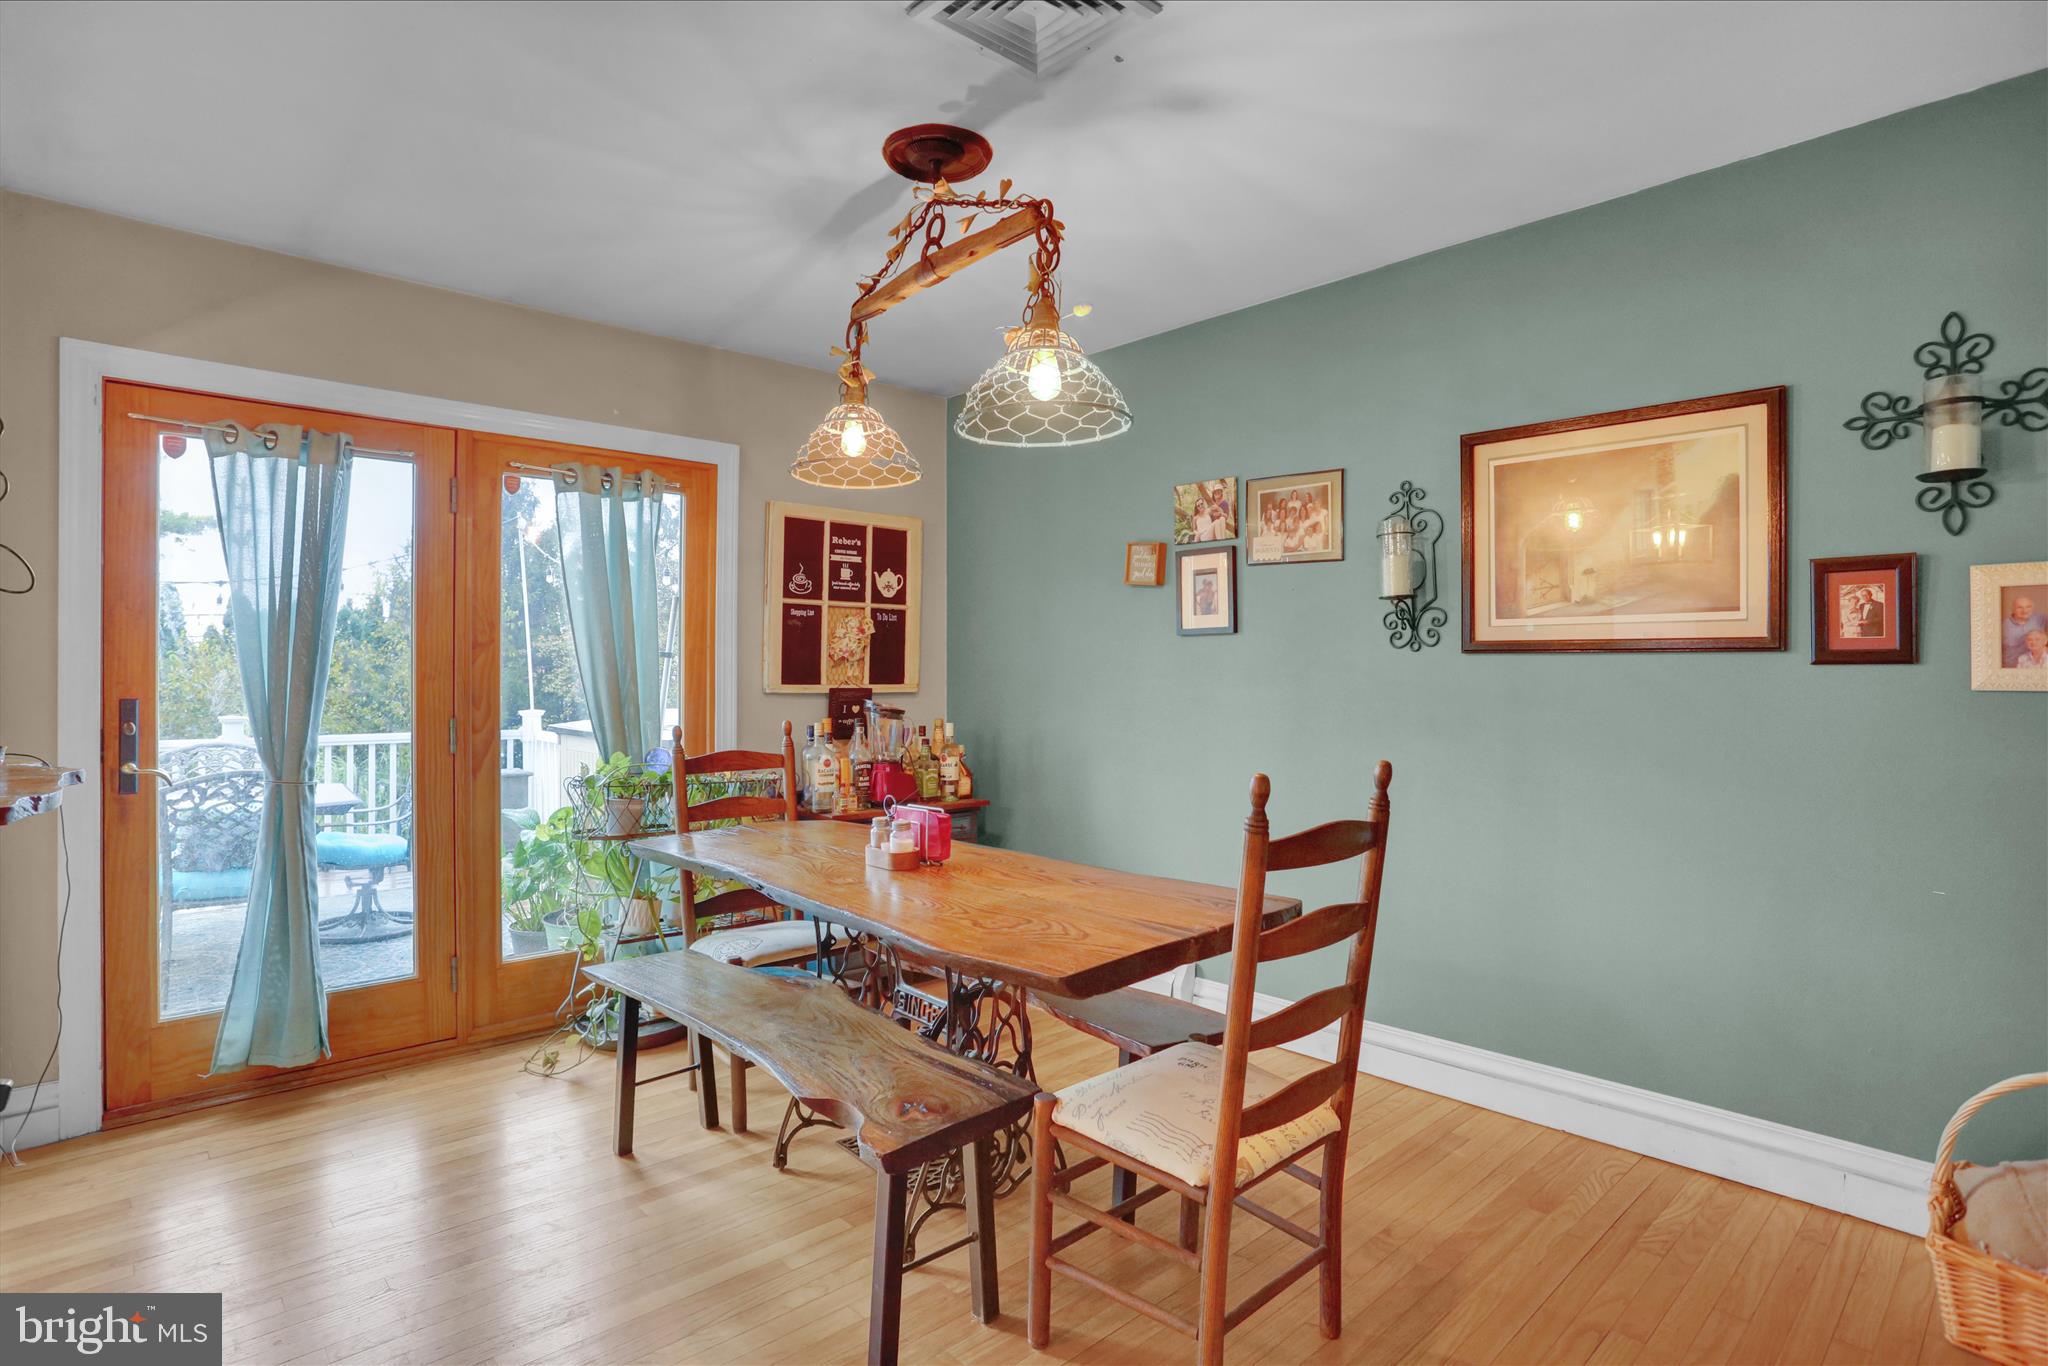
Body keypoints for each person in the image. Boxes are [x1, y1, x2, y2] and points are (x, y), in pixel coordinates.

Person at [2003, 594, 2047, 666]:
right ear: (2013, 609)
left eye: (2028, 607)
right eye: (2019, 607)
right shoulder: (2003, 626)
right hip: (2011, 667)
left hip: (2037, 665)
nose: (2025, 611)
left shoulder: (2041, 618)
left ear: (2033, 607)